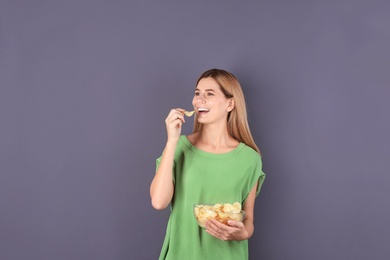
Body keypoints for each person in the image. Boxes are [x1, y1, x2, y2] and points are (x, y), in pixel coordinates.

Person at [150, 68, 266, 260]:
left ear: (230, 103)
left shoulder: (250, 159)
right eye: (197, 93)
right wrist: (172, 140)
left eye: (209, 94)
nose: (199, 100)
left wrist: (242, 233)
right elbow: (159, 202)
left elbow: (249, 221)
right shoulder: (178, 148)